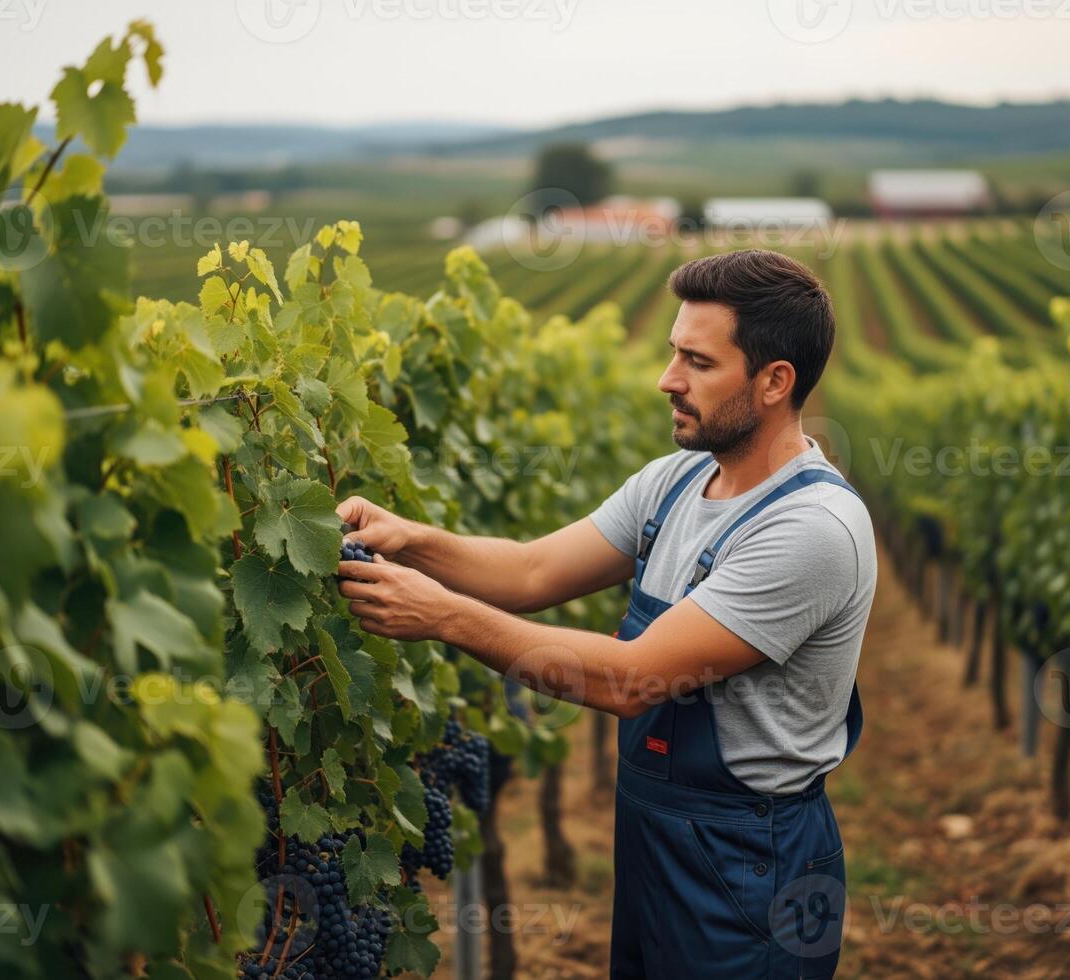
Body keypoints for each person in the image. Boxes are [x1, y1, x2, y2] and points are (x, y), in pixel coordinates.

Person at [335, 248, 877, 979]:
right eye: (671, 353)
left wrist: (443, 617)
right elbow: (532, 570)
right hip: (652, 834)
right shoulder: (678, 479)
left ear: (776, 381)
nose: (668, 380)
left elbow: (631, 681)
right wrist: (413, 540)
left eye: (698, 362)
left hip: (751, 863)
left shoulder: (812, 529)